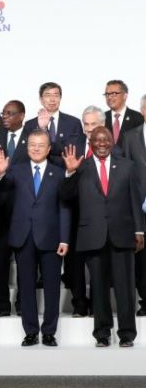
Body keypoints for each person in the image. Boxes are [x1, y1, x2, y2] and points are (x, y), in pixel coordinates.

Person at [61, 126, 144, 348]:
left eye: (105, 140)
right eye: (97, 140)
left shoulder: (127, 166)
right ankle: (102, 334)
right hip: (93, 236)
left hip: (122, 234)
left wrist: (139, 230)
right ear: (90, 143)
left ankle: (127, 334)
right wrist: (70, 172)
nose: (101, 144)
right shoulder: (81, 167)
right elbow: (65, 196)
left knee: (125, 288)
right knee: (98, 288)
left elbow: (135, 199)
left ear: (112, 142)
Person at [0, 130, 70, 347]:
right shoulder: (15, 170)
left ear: (49, 149)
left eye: (41, 145)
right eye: (32, 145)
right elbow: (2, 190)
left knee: (52, 287)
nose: (36, 148)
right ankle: (30, 332)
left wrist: (64, 239)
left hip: (51, 238)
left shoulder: (59, 173)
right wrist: (0, 174)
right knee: (25, 287)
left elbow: (64, 207)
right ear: (26, 147)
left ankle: (49, 332)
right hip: (23, 236)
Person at [0, 100, 34, 317]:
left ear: (22, 115)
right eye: (3, 113)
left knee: (25, 261)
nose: (5, 117)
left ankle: (23, 302)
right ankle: (2, 304)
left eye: (10, 113)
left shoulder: (33, 138)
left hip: (25, 206)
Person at [120, 94, 146, 316]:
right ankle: (145, 300)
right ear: (142, 111)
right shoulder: (130, 137)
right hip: (139, 206)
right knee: (142, 258)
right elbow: (126, 172)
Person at [23, 82, 83, 166]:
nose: (52, 99)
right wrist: (43, 129)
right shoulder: (29, 125)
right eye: (48, 95)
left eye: (56, 95)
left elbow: (76, 152)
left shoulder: (74, 123)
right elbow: (28, 154)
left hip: (66, 170)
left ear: (60, 98)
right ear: (41, 99)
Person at [103, 79, 144, 147]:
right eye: (107, 94)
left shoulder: (138, 118)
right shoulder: (102, 118)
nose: (109, 97)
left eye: (114, 94)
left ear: (125, 96)